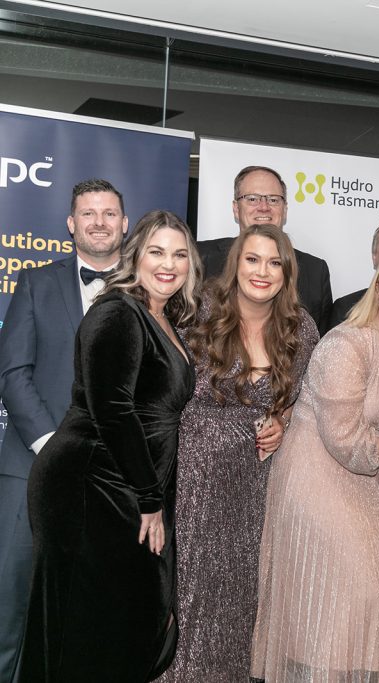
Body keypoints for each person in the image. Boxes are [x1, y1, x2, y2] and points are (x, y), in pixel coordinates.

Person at [19, 210, 203, 682]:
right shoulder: (118, 311)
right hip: (91, 485)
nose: (169, 264)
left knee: (123, 626)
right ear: (135, 255)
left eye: (179, 254)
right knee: (89, 629)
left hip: (129, 486)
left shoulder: (163, 317)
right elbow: (114, 411)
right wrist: (149, 499)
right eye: (156, 252)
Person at [251, 249, 379, 682]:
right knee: (349, 590)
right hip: (318, 474)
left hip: (377, 479)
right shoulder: (345, 344)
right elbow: (344, 440)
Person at [157, 225, 319, 682]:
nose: (262, 272)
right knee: (190, 594)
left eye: (274, 263)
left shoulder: (301, 328)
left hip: (257, 488)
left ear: (287, 273)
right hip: (194, 481)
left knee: (243, 599)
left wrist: (283, 420)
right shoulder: (198, 311)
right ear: (235, 264)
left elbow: (305, 400)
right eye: (252, 259)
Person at [0, 178, 129, 683]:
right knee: (9, 604)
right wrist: (56, 447)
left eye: (109, 213)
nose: (99, 222)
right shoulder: (35, 283)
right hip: (30, 468)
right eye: (88, 213)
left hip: (110, 482)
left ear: (124, 223)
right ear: (71, 224)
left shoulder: (145, 293)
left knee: (88, 612)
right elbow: (13, 373)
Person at [197, 165, 333, 335]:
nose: (263, 207)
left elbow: (321, 345)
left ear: (284, 210)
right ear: (236, 209)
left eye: (273, 200)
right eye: (252, 199)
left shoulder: (315, 271)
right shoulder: (201, 257)